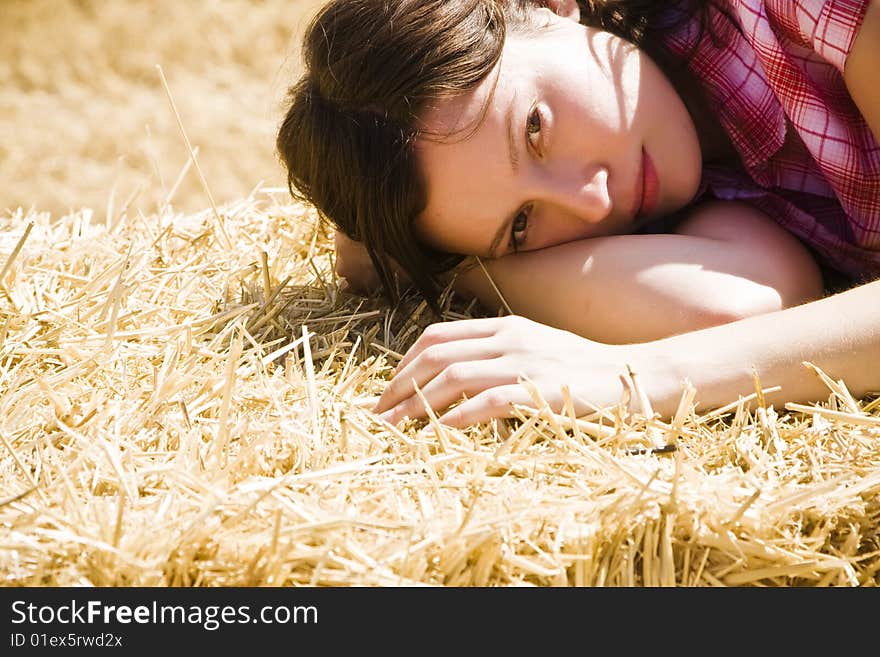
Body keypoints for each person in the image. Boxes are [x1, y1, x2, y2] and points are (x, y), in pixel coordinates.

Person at [276, 0, 880, 427]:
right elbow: (740, 306)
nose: (591, 201)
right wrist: (445, 269)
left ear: (547, 5)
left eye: (536, 129)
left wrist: (631, 375)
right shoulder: (688, 170)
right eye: (521, 224)